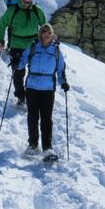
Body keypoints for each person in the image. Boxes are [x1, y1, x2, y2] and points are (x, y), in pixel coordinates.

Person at [17, 23, 69, 160]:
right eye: (44, 32)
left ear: (52, 35)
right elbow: (22, 60)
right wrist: (17, 61)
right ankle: (33, 145)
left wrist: (63, 82)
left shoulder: (56, 51)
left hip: (48, 89)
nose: (46, 35)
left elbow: (61, 69)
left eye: (49, 33)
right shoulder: (33, 46)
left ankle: (47, 148)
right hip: (32, 87)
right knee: (32, 117)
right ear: (40, 34)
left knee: (46, 119)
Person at [0, 0, 47, 106]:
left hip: (34, 45)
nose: (26, 4)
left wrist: (48, 40)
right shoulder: (12, 10)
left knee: (34, 72)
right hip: (16, 45)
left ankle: (31, 95)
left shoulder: (37, 11)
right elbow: (1, 25)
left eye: (29, 2)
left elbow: (45, 27)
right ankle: (20, 96)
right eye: (24, 1)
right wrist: (0, 40)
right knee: (18, 73)